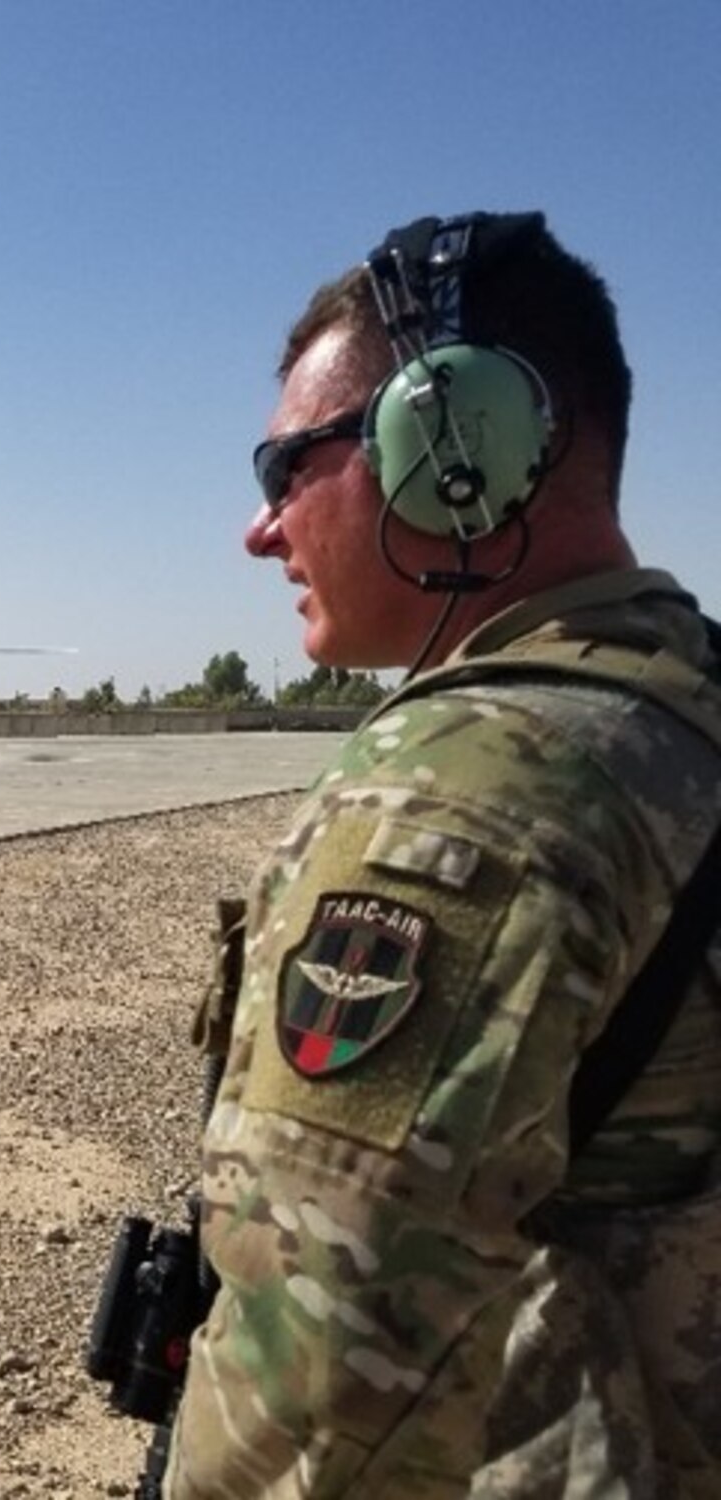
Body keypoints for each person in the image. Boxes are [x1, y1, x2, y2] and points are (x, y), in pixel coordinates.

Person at [166, 212, 721, 1497]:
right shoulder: (684, 702)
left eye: (280, 469)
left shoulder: (449, 803)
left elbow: (326, 1393)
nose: (259, 532)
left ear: (448, 444)